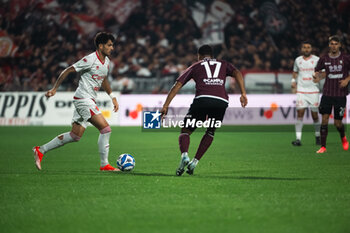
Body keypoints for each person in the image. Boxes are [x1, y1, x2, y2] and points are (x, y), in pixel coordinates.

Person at [32, 32, 120, 171]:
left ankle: (41, 150)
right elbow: (68, 70)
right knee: (105, 129)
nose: (112, 48)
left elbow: (103, 79)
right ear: (101, 46)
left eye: (112, 45)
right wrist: (54, 89)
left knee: (75, 135)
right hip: (83, 99)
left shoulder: (107, 62)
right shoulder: (90, 59)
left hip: (89, 99)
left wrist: (112, 96)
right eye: (109, 45)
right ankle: (104, 165)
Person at [160, 44, 248, 176]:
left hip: (203, 99)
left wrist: (166, 105)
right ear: (212, 56)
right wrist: (243, 93)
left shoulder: (196, 65)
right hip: (221, 101)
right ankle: (194, 162)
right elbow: (237, 73)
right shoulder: (223, 63)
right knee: (210, 131)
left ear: (199, 56)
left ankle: (184, 155)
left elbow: (178, 84)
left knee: (185, 130)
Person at [313, 35, 350, 153]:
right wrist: (317, 76)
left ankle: (343, 138)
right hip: (327, 93)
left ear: (340, 45)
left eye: (336, 44)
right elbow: (317, 71)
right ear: (329, 45)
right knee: (324, 120)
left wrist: (347, 80)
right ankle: (323, 147)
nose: (334, 46)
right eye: (332, 44)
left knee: (337, 123)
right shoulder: (323, 58)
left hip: (340, 94)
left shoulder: (346, 58)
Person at [291, 41, 321, 146]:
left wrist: (319, 77)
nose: (306, 49)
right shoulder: (297, 60)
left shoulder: (317, 60)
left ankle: (317, 136)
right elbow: (295, 72)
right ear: (302, 49)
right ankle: (298, 139)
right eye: (305, 47)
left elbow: (322, 72)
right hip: (301, 91)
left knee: (315, 116)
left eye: (308, 47)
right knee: (300, 114)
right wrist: (293, 81)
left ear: (311, 49)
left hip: (313, 91)